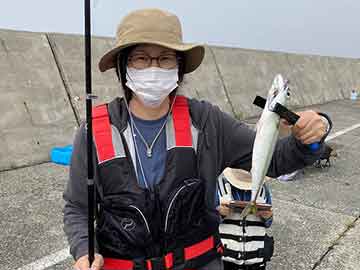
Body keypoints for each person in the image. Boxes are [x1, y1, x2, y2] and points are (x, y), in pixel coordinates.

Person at [63, 8, 330, 270]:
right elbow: (77, 208)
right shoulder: (93, 132)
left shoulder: (207, 121)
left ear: (179, 68)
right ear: (123, 67)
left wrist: (309, 138)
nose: (154, 67)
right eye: (141, 58)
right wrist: (84, 249)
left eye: (165, 58)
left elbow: (275, 161)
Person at [217, 168, 273, 270]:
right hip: (226, 260)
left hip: (256, 260)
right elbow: (207, 221)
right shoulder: (218, 188)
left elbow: (268, 223)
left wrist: (267, 216)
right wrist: (219, 214)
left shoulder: (264, 190)